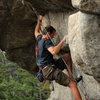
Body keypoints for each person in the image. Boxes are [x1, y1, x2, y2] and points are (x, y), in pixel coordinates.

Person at [34, 15, 82, 100]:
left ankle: (71, 77)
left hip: (48, 68)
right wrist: (63, 40)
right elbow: (53, 51)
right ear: (48, 34)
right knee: (73, 85)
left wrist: (39, 21)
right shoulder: (46, 41)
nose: (53, 37)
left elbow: (36, 31)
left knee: (67, 57)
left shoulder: (39, 38)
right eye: (53, 35)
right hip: (49, 70)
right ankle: (72, 83)